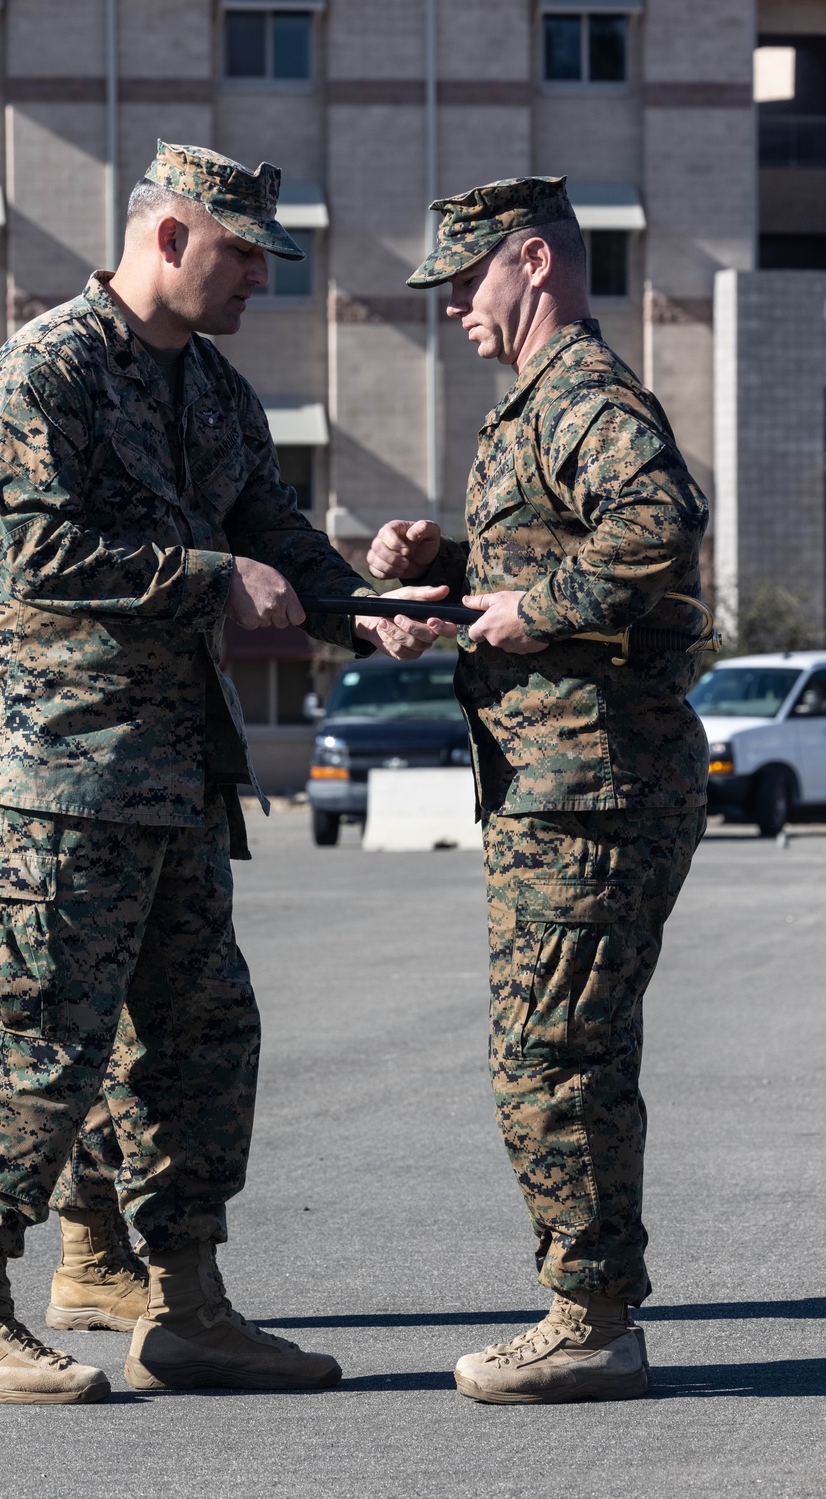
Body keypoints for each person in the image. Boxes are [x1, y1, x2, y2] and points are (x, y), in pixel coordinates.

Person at [0, 139, 451, 1405]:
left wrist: (367, 608)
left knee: (197, 1035)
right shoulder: (39, 372)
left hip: (172, 773)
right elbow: (35, 556)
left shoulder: (213, 388)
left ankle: (185, 1301)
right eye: (243, 251)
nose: (262, 275)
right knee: (38, 1036)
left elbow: (269, 529)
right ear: (166, 238)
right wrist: (216, 579)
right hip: (54, 770)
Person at [366, 176, 710, 1404]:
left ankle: (593, 1318)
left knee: (556, 1055)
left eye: (465, 279)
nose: (452, 305)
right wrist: (447, 578)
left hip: (594, 783)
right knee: (550, 1049)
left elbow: (661, 521)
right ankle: (589, 1303)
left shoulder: (584, 395)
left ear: (532, 261)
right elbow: (551, 564)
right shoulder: (528, 407)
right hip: (556, 781)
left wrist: (531, 608)